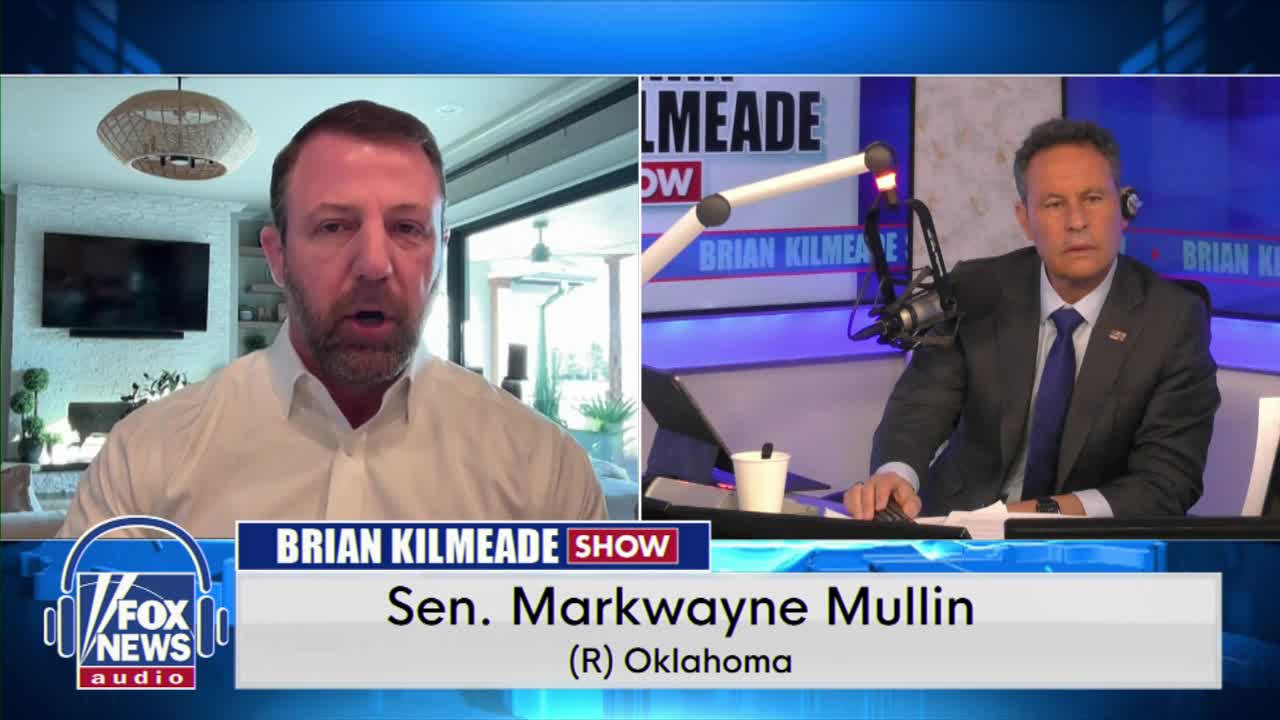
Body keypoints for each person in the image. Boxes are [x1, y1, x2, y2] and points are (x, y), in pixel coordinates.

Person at [59, 100, 607, 537]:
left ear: (441, 252)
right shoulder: (146, 458)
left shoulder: (546, 471)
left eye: (408, 228)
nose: (374, 264)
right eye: (334, 227)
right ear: (276, 256)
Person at [845, 118, 1220, 520]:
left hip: (1081, 548)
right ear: (1025, 219)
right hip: (953, 528)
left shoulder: (1172, 319)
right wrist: (896, 474)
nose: (1077, 221)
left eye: (1092, 198)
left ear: (1125, 207)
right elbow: (920, 406)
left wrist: (1032, 516)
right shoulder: (976, 289)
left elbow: (1167, 480)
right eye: (1054, 204)